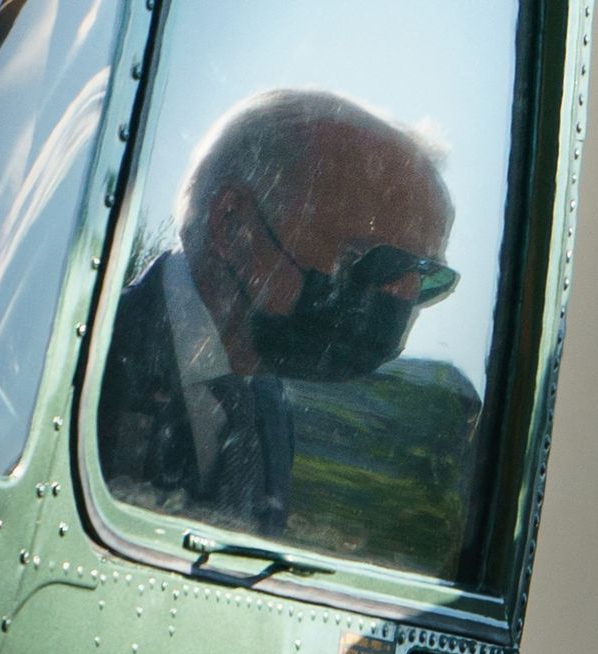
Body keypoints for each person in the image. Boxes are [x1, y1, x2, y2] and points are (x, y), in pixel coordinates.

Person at [97, 88, 458, 537]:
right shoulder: (88, 356)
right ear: (234, 225)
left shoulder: (270, 413)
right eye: (373, 262)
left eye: (425, 280)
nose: (400, 300)